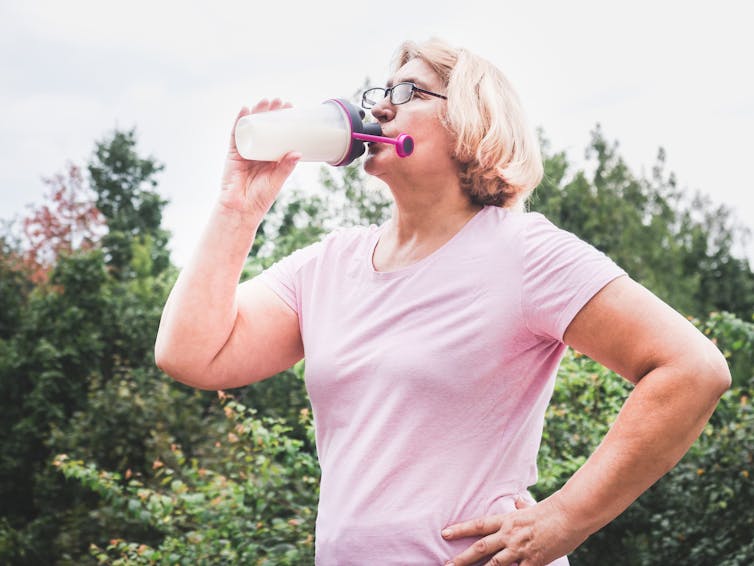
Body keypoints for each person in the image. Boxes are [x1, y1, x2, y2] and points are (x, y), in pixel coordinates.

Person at [155, 38, 731, 565]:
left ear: (473, 120)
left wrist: (565, 518)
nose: (379, 107)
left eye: (408, 92)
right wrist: (238, 207)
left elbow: (693, 369)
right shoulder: (328, 264)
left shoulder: (523, 252)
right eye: (380, 92)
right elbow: (193, 355)